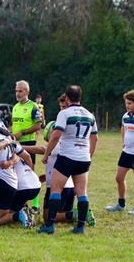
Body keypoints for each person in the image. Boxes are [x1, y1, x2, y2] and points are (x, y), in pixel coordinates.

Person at [37, 85, 98, 235]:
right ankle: (80, 227)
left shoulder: (64, 113)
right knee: (82, 192)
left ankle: (49, 226)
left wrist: (46, 155)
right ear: (80, 97)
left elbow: (56, 135)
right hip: (83, 158)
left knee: (55, 190)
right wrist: (89, 155)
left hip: (67, 157)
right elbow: (95, 138)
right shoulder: (90, 115)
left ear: (68, 98)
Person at [11, 80, 42, 214]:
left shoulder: (33, 106)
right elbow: (15, 125)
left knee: (30, 173)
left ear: (27, 92)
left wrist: (22, 133)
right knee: (16, 173)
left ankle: (35, 205)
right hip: (15, 144)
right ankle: (21, 204)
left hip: (28, 144)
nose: (18, 93)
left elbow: (38, 125)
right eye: (16, 91)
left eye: (20, 91)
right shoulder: (15, 107)